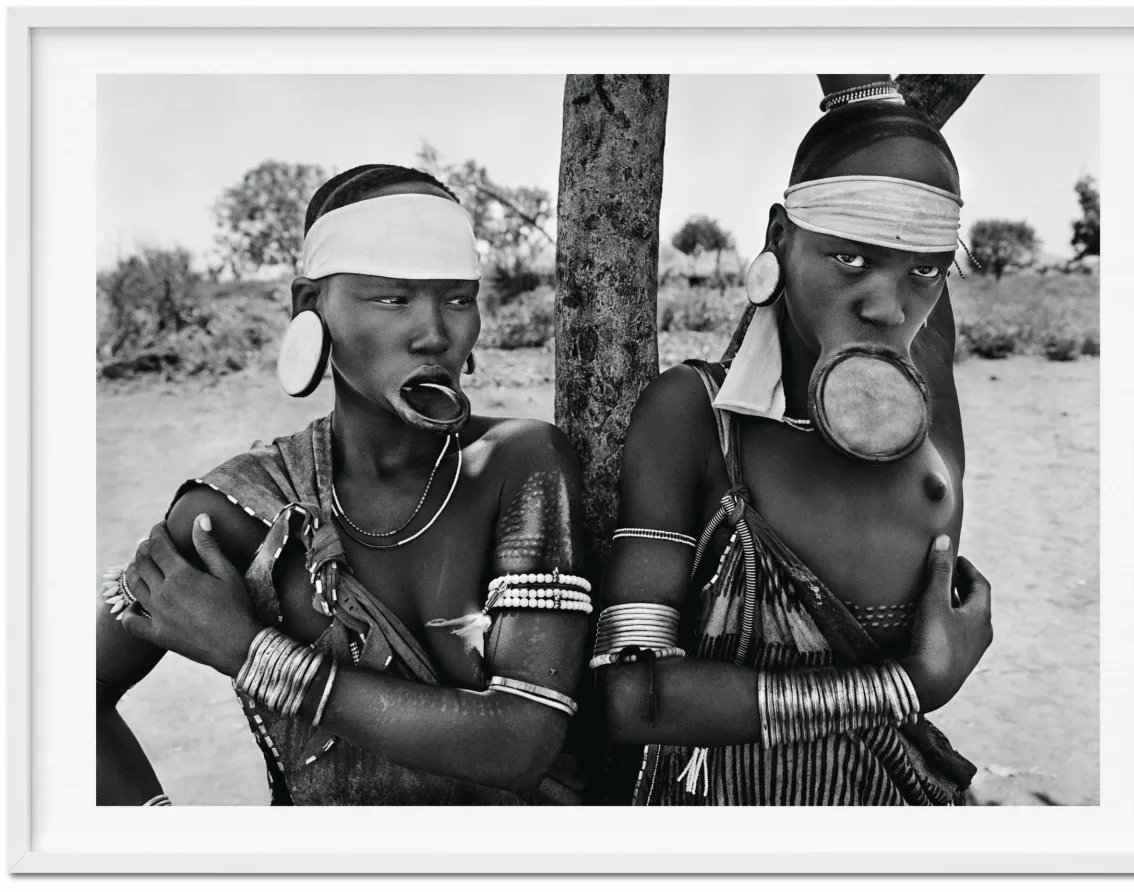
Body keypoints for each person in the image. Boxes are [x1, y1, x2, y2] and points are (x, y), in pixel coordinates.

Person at [96, 164, 590, 806]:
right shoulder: (244, 511)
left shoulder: (518, 463)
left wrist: (249, 653)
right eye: (392, 298)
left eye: (458, 297)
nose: (435, 333)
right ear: (310, 307)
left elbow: (522, 741)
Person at [594, 78, 994, 805]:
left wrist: (868, 92)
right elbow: (634, 696)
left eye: (924, 270)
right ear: (780, 236)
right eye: (850, 259)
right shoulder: (697, 417)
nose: (886, 306)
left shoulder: (927, 377)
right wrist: (910, 686)